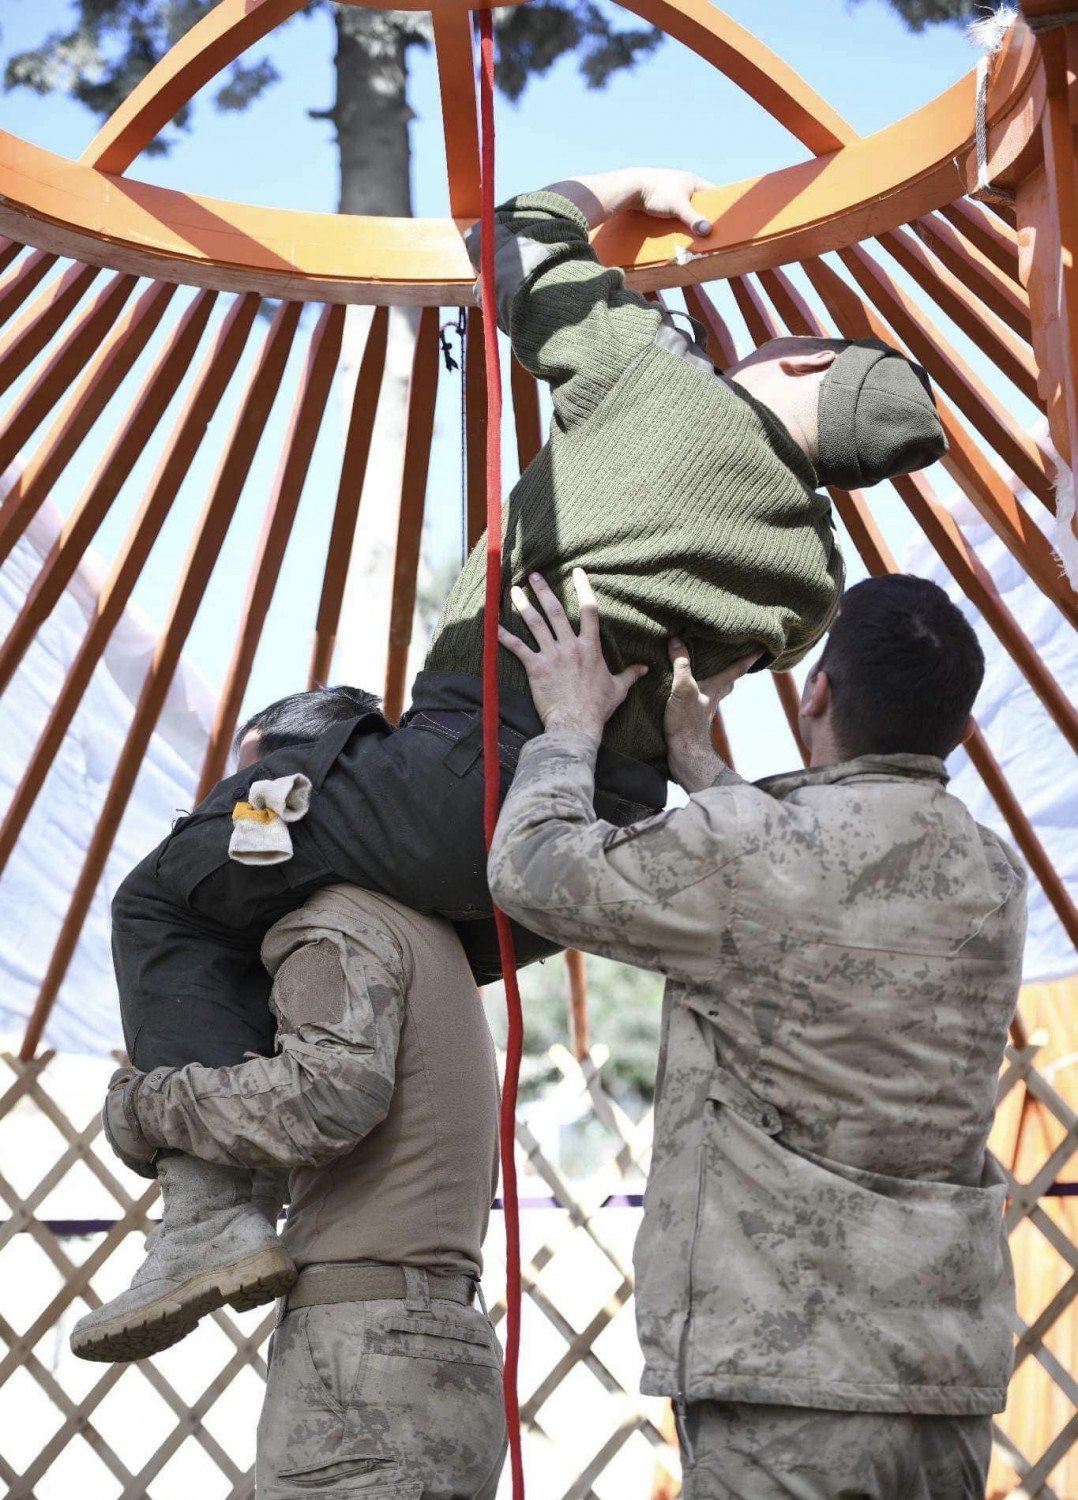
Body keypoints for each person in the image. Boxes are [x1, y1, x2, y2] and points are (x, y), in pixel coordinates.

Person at [89, 162, 946, 1355]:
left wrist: (623, 185)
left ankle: (208, 1216)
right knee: (320, 926)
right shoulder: (812, 576)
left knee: (172, 895)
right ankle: (280, 1138)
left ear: (800, 367)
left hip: (467, 776)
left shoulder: (661, 382)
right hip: (568, 869)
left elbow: (516, 240)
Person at [487, 568, 1025, 1500]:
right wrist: (700, 764)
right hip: (942, 1373)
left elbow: (532, 867)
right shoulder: (997, 875)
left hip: (786, 1370)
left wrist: (569, 727)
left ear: (816, 694)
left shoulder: (755, 852)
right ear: (963, 731)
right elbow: (822, 883)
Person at [74, 733, 507, 1500]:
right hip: (442, 1348)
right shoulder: (428, 931)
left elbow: (327, 1098)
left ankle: (207, 1230)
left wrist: (145, 1104)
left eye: (247, 793)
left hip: (366, 1350)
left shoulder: (336, 920)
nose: (230, 822)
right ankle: (214, 1227)